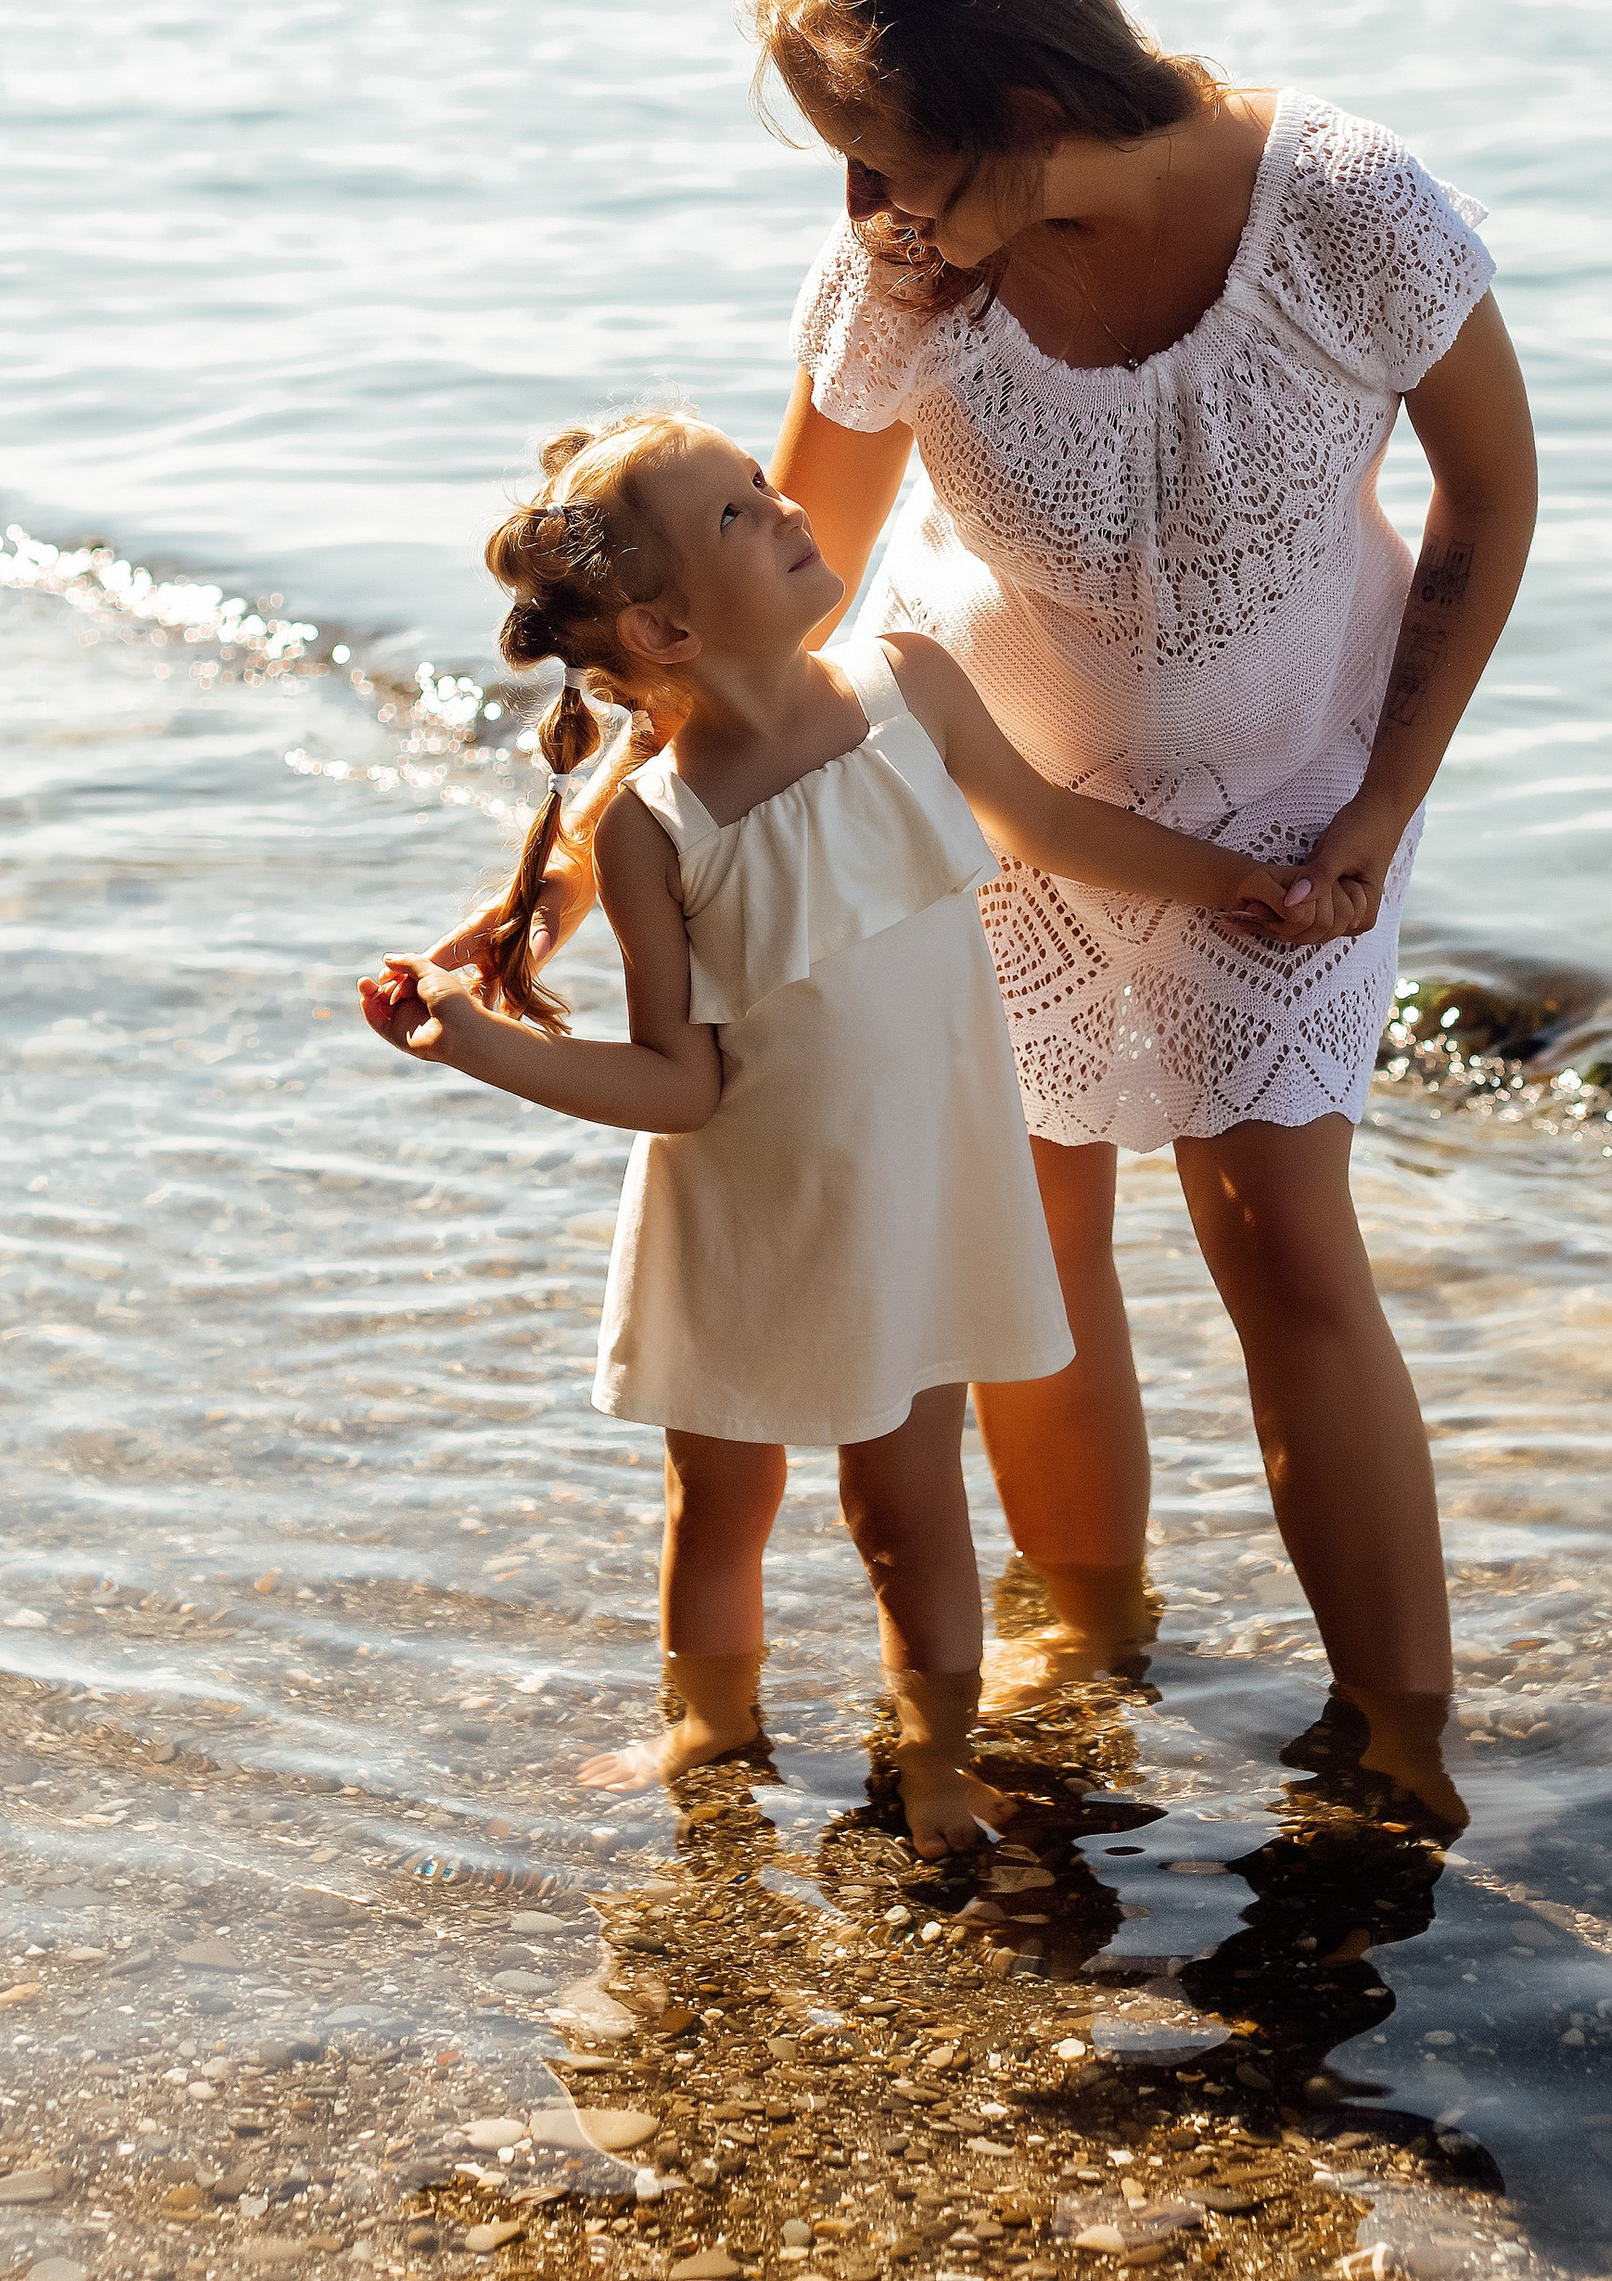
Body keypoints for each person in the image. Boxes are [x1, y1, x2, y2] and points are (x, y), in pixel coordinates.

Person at [507, 0, 1537, 1829]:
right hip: (975, 796)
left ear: (1028, 118)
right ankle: (1096, 1639)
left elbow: (1489, 496)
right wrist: (577, 855)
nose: (857, 215)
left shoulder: (1342, 211)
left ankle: (1398, 1743)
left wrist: (1385, 804)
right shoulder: (909, 277)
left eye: (877, 161)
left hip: (1292, 799)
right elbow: (765, 609)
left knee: (1281, 1236)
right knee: (1022, 1239)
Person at [358, 406, 1333, 1853]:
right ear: (665, 624)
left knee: (905, 1498)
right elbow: (679, 1083)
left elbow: (1055, 825)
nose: (784, 499)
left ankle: (937, 1759)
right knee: (720, 1494)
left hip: (911, 1195)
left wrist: (1233, 877)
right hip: (738, 1210)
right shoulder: (653, 830)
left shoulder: (910, 688)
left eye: (759, 477)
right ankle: (711, 1721)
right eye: (739, 510)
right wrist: (485, 1045)